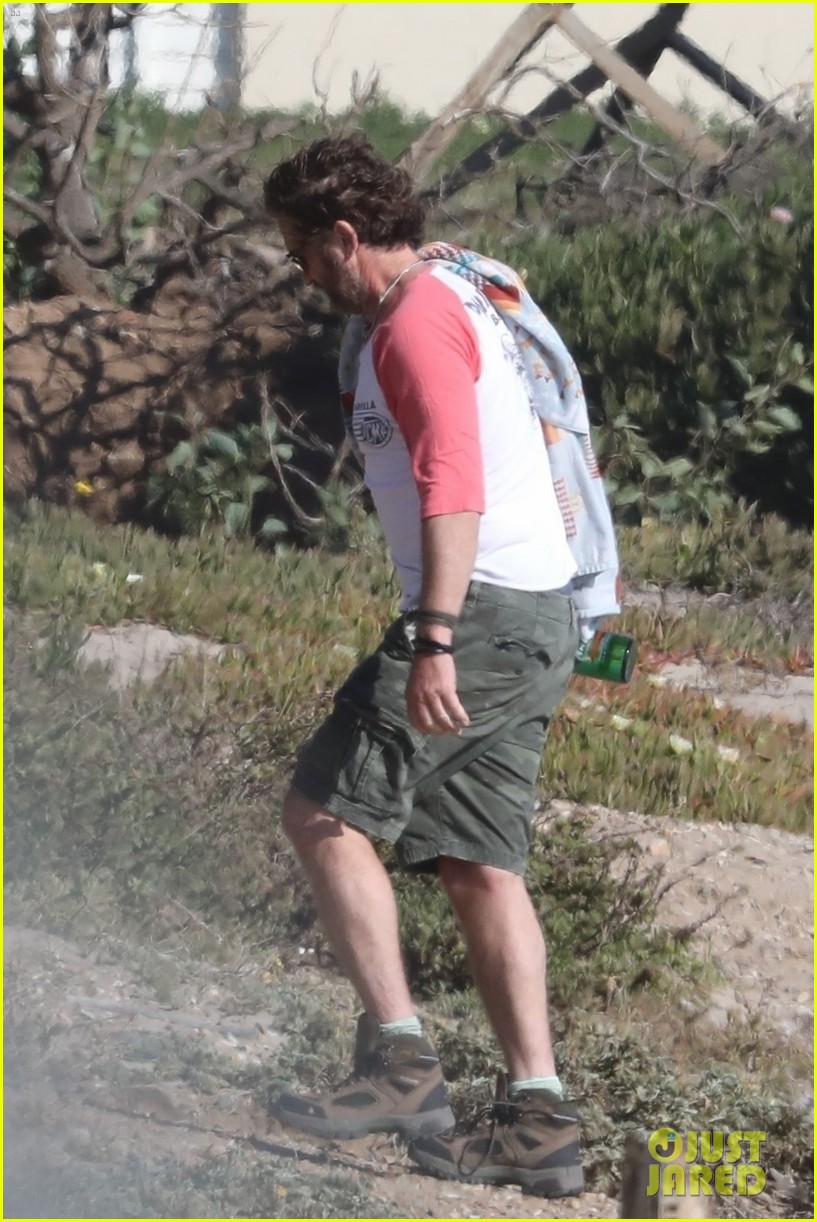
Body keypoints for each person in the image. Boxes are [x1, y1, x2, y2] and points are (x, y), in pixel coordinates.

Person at [262, 133, 615, 1198]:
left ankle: (400, 1065)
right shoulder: (451, 288)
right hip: (535, 611)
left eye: (299, 251)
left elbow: (451, 480)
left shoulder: (416, 319)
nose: (299, 271)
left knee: (321, 811)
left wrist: (434, 636)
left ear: (344, 236)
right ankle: (539, 1120)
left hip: (485, 613)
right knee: (478, 862)